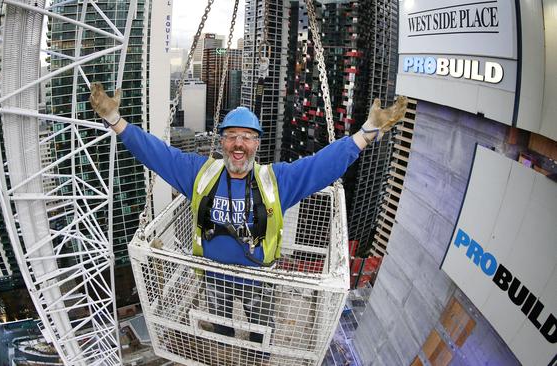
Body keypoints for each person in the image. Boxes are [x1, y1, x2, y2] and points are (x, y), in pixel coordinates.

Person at [90, 83, 407, 357]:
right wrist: (114, 120)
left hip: (260, 279)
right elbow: (155, 153)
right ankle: (226, 342)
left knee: (260, 330)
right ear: (222, 142)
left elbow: (322, 165)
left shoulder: (275, 181)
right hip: (215, 278)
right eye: (231, 137)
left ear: (257, 144)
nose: (238, 144)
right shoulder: (199, 174)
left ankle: (260, 353)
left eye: (246, 137)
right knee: (222, 325)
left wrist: (368, 132)